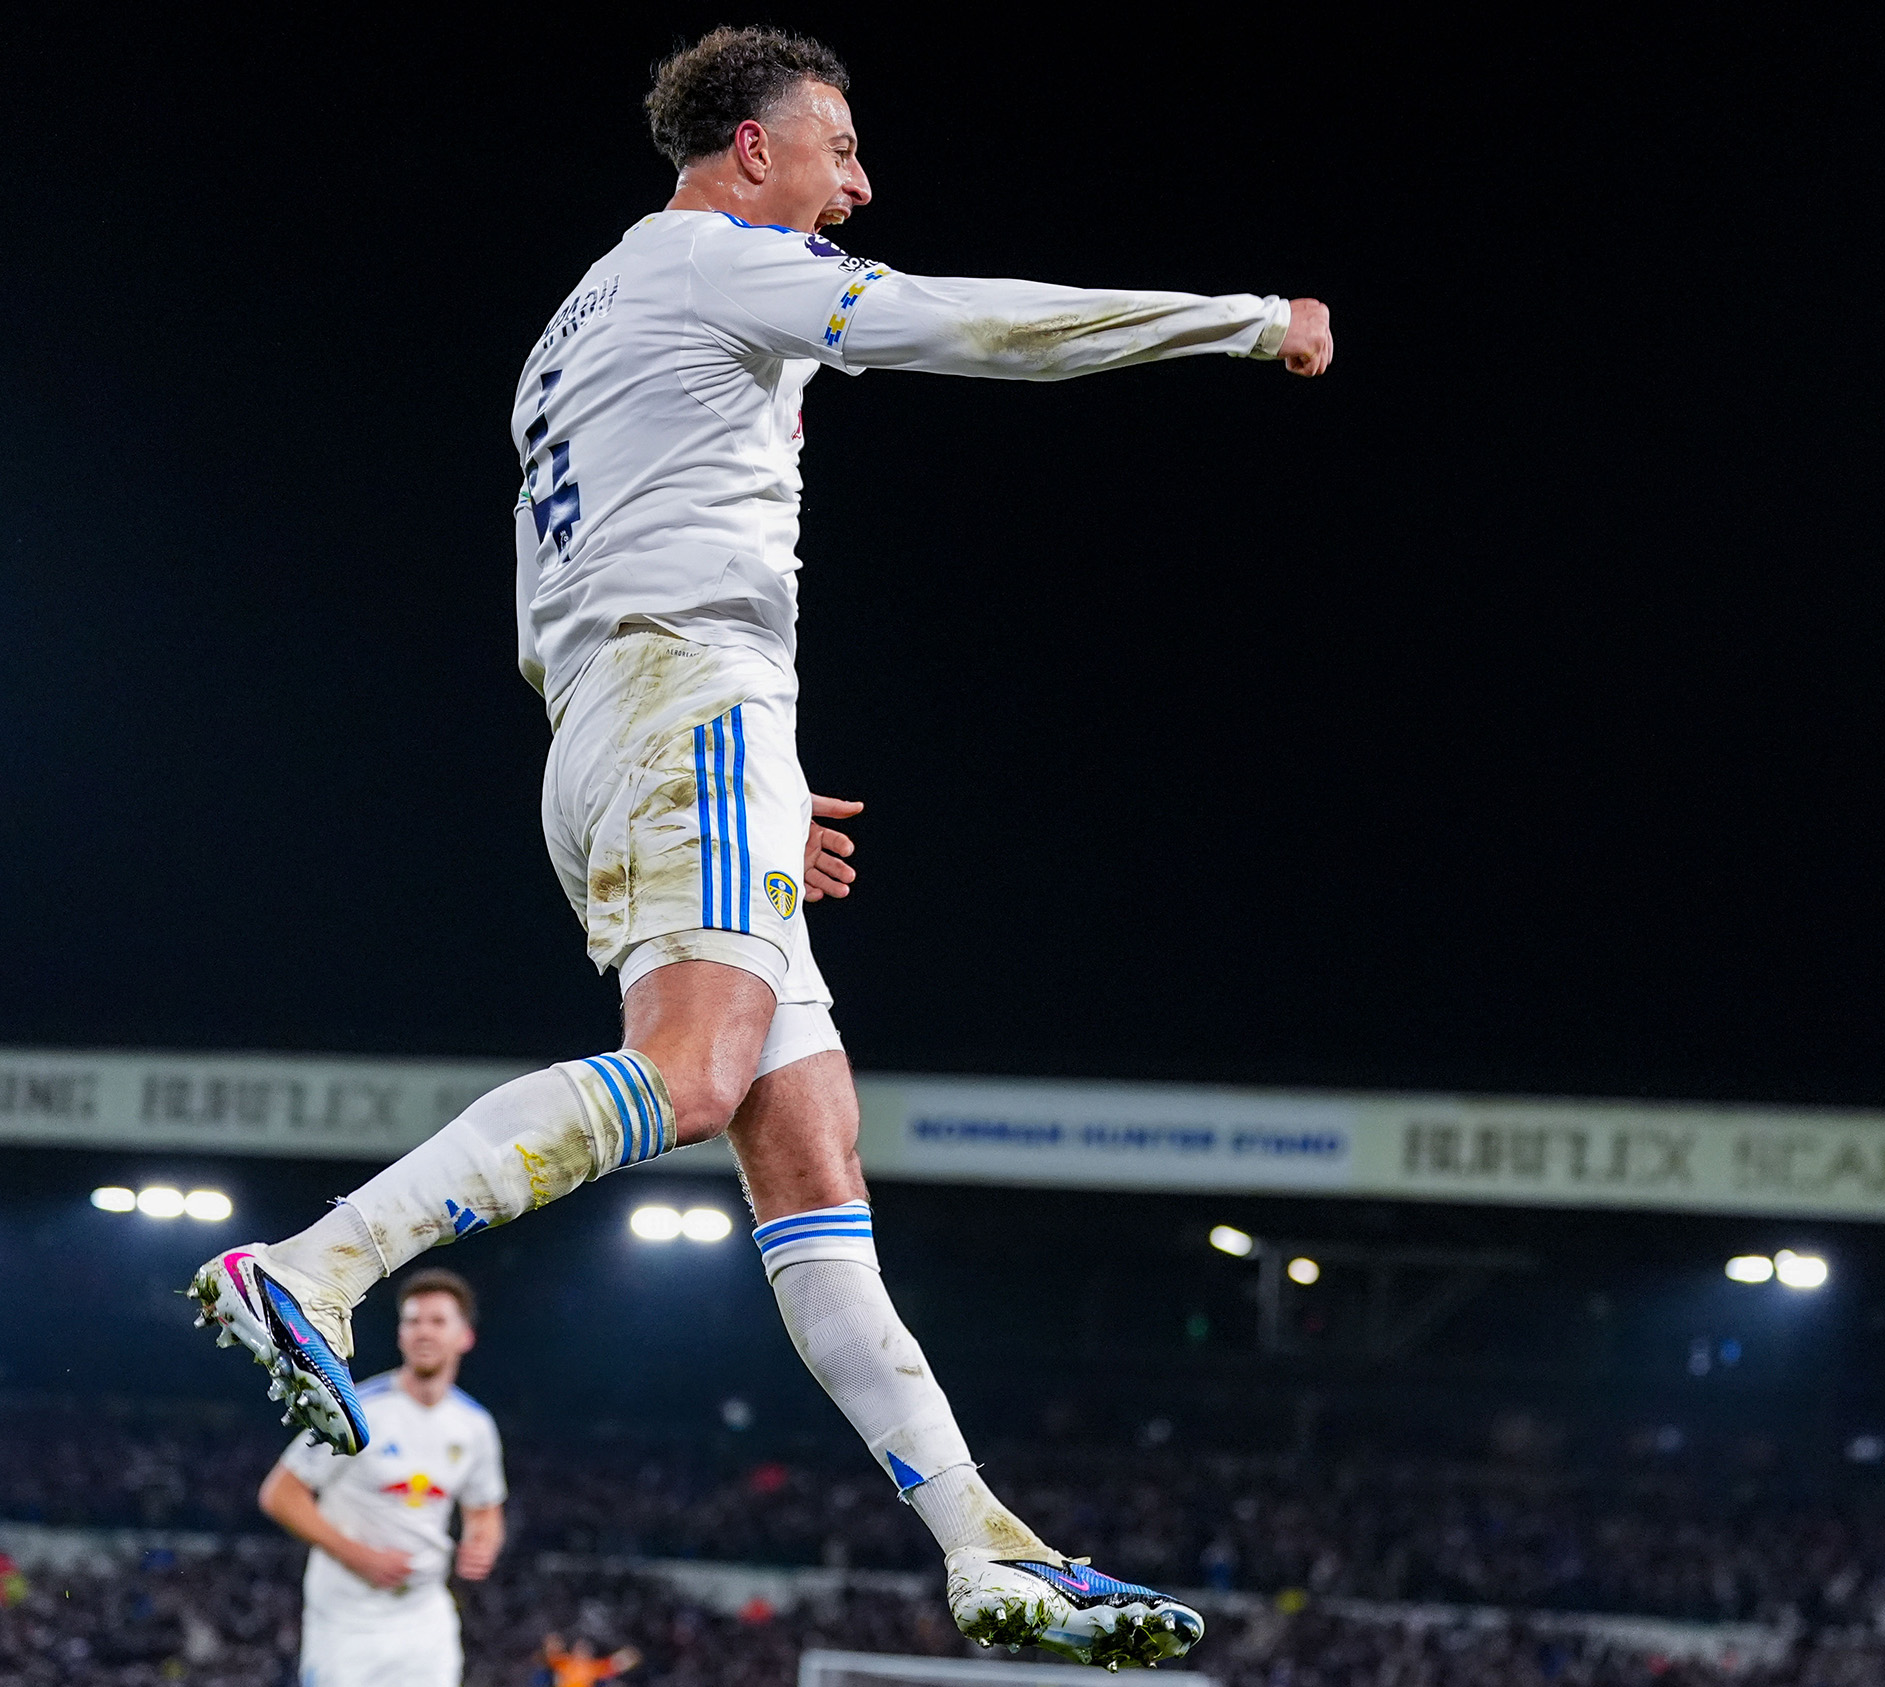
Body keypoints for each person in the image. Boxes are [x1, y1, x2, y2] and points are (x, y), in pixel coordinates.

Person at [189, 24, 1330, 1669]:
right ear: (749, 152)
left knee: (815, 1166)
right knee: (701, 1074)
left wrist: (755, 788)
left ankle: (985, 1544)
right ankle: (318, 1260)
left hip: (627, 731)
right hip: (687, 710)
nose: (858, 185)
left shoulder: (573, 322)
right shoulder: (719, 263)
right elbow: (971, 328)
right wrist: (1241, 321)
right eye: (839, 149)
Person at [258, 1268, 505, 1687]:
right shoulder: (355, 1412)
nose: (423, 1332)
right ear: (400, 1335)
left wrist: (484, 1542)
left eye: (437, 1321)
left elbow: (485, 1511)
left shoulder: (475, 1425)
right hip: (347, 1621)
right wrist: (358, 1555)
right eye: (412, 1321)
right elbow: (279, 1494)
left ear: (465, 1337)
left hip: (425, 1618)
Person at [539, 1633, 641, 1687]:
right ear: (574, 1650)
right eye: (580, 1649)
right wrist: (552, 1643)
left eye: (585, 1650)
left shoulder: (590, 1667)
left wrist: (629, 1656)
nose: (582, 1653)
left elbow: (613, 1664)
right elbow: (551, 1656)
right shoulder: (566, 1662)